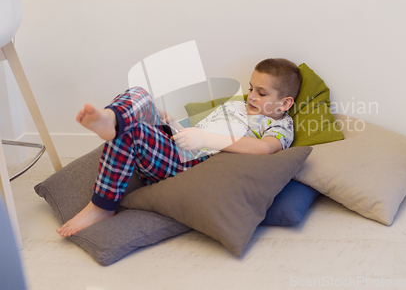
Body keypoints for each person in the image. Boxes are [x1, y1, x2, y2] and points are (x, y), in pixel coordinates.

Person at [56, 58, 302, 237]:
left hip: (190, 161)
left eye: (261, 93)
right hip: (178, 142)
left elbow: (266, 149)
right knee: (139, 94)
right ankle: (112, 120)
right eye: (251, 89)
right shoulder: (237, 106)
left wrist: (205, 140)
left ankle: (101, 206)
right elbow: (204, 127)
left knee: (136, 133)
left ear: (285, 103)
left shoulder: (278, 124)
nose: (251, 97)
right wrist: (171, 122)